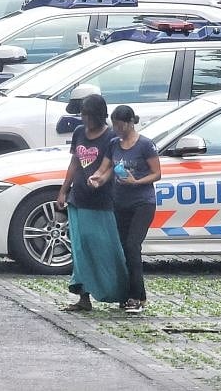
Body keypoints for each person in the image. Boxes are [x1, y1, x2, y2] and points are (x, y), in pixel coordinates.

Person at [56, 93, 128, 311]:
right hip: (78, 199)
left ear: (99, 116)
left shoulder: (111, 137)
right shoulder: (79, 132)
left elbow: (110, 166)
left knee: (106, 249)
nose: (85, 120)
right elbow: (75, 162)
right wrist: (63, 190)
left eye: (89, 115)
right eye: (83, 115)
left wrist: (99, 177)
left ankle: (121, 292)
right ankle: (83, 295)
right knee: (80, 249)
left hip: (102, 202)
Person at [90, 105, 162, 314]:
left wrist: (136, 181)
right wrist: (97, 178)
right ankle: (137, 294)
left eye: (120, 125)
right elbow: (106, 168)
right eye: (114, 125)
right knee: (122, 248)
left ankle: (135, 297)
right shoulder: (113, 144)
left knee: (132, 245)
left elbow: (157, 174)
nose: (117, 129)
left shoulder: (145, 145)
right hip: (120, 202)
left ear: (130, 122)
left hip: (142, 202)